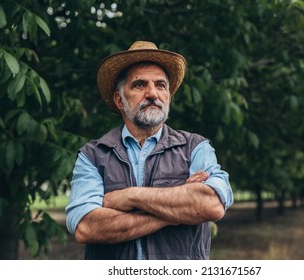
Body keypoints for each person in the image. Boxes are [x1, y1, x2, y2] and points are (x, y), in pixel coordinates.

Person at [65, 41, 234, 260]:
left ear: (169, 97)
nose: (152, 93)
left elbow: (211, 204)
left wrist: (131, 196)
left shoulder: (195, 147)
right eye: (139, 85)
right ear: (119, 100)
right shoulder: (93, 155)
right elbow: (86, 226)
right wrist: (176, 211)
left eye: (161, 85)